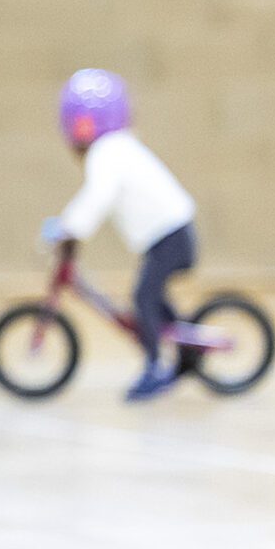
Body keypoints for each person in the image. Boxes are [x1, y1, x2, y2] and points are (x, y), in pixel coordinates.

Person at [46, 69, 199, 402]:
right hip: (171, 233)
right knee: (153, 298)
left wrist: (70, 228)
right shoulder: (117, 147)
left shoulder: (108, 152)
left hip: (171, 235)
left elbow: (97, 196)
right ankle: (185, 351)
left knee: (143, 297)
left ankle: (155, 367)